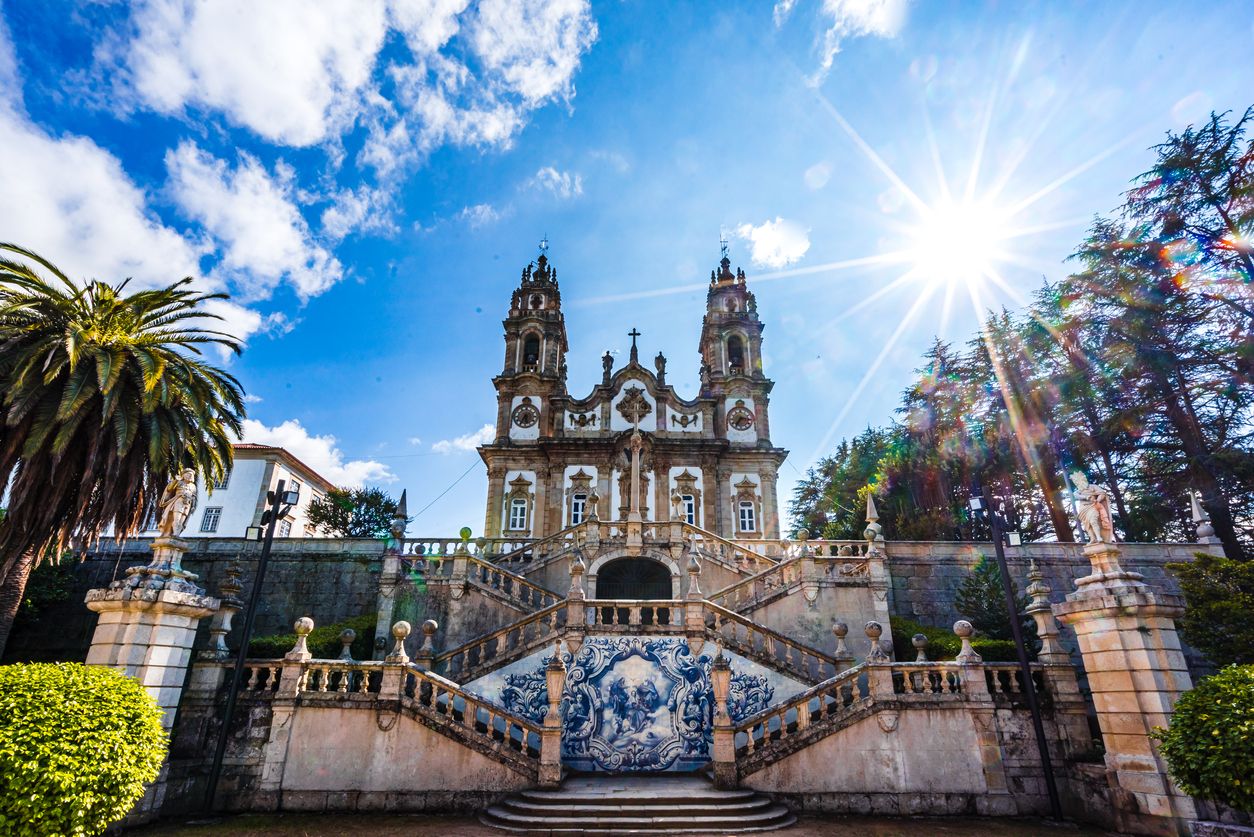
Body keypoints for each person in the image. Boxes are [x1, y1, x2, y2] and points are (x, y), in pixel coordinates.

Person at [1070, 471, 1115, 543]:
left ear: (1084, 479)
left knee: (1093, 521)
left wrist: (1097, 500)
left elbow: (1102, 493)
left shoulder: (1093, 486)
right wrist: (1086, 497)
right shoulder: (1078, 491)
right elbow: (1075, 496)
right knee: (1087, 524)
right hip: (1083, 508)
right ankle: (1093, 538)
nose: (1078, 483)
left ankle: (1098, 537)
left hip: (1093, 505)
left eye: (1079, 480)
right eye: (1076, 482)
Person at [158, 468, 198, 537]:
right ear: (184, 475)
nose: (190, 476)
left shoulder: (193, 486)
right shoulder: (179, 482)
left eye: (191, 475)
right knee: (177, 519)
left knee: (181, 522)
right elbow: (169, 489)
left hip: (188, 503)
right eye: (188, 474)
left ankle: (177, 534)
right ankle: (175, 533)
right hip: (179, 501)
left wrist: (193, 506)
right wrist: (176, 480)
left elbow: (194, 497)